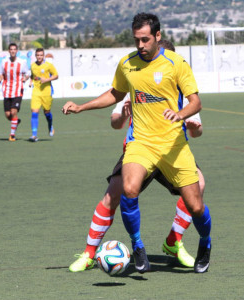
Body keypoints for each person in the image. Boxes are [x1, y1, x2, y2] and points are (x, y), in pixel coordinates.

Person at [62, 13, 212, 274]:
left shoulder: (176, 64)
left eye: (145, 39)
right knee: (123, 190)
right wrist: (82, 107)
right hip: (140, 144)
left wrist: (181, 115)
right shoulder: (127, 64)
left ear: (157, 36)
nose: (140, 45)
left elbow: (195, 102)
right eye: (136, 40)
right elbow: (114, 94)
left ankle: (198, 243)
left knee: (196, 204)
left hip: (173, 146)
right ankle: (132, 246)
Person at [0, 43, 29, 141]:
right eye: (11, 49)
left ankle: (12, 135)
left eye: (14, 49)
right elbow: (1, 73)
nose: (12, 51)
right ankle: (16, 121)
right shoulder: (4, 62)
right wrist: (0, 78)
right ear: (8, 51)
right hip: (7, 91)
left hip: (17, 90)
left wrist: (25, 78)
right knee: (8, 115)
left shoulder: (22, 62)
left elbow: (27, 73)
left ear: (17, 51)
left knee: (13, 111)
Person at [29, 48, 58, 142]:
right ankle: (34, 135)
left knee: (47, 113)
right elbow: (32, 75)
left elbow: (56, 76)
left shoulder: (48, 65)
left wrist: (46, 80)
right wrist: (30, 81)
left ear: (43, 55)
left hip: (46, 92)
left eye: (41, 55)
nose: (39, 57)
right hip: (36, 92)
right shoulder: (33, 65)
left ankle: (50, 125)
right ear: (35, 56)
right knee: (34, 112)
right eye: (38, 55)